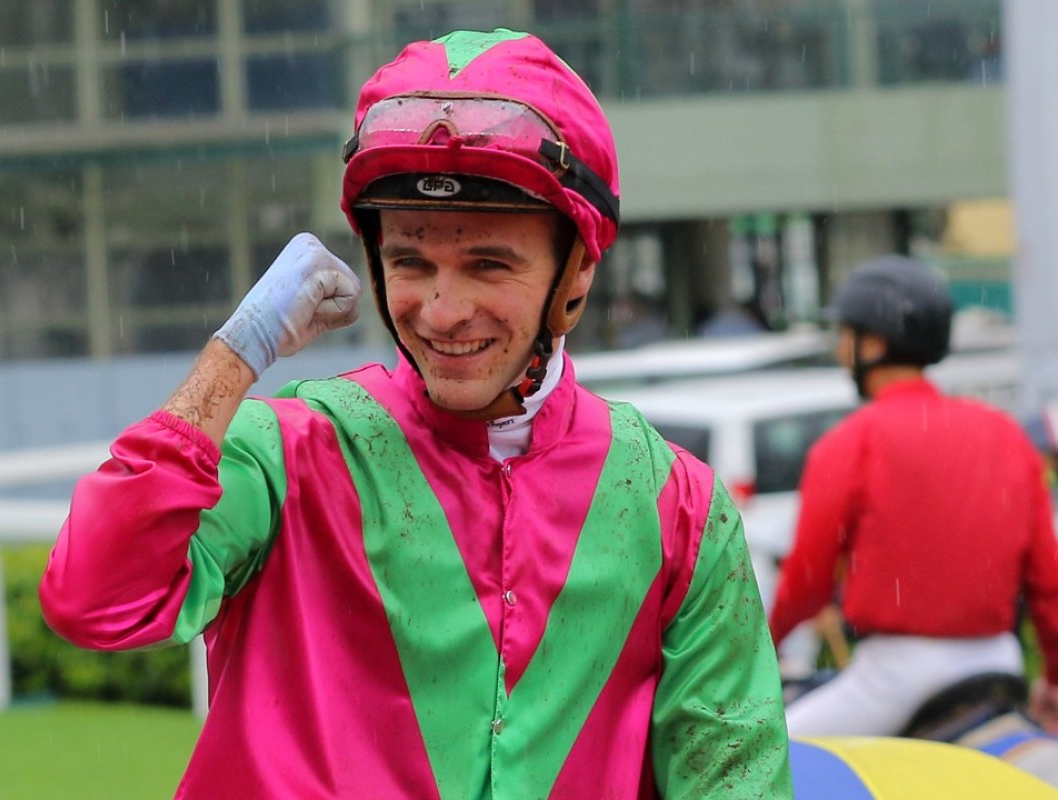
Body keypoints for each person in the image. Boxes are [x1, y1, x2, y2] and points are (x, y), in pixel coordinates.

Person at [40, 29, 791, 798]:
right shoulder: (287, 452)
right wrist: (235, 355)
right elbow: (97, 600)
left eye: (488, 264)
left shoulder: (681, 510)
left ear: (578, 272)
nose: (442, 310)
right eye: (411, 261)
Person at [767, 254, 1058, 737]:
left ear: (874, 343)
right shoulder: (1006, 434)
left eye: (845, 336)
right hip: (999, 663)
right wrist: (1052, 676)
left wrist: (761, 645)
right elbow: (1048, 584)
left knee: (764, 764)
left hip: (898, 674)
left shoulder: (851, 441)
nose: (841, 352)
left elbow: (808, 580)